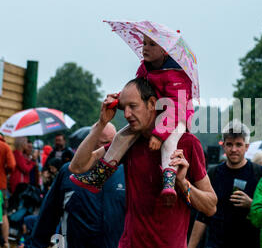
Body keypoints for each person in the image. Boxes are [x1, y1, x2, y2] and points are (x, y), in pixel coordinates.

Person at [68, 77, 217, 248]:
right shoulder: (129, 141)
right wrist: (101, 124)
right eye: (124, 108)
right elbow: (77, 167)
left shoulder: (187, 143)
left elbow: (210, 207)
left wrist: (182, 182)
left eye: (133, 106)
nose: (127, 114)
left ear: (152, 103)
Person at [71, 34, 196, 208]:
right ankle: (99, 176)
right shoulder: (145, 68)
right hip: (157, 113)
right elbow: (137, 90)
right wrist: (119, 100)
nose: (145, 47)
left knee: (170, 141)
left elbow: (176, 107)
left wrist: (159, 134)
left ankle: (169, 182)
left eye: (152, 44)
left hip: (178, 115)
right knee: (121, 135)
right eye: (144, 43)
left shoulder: (177, 75)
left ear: (165, 51)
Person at [24, 122, 126, 248]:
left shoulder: (126, 172)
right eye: (105, 143)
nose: (110, 148)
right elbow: (48, 215)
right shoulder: (69, 172)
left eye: (114, 142)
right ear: (91, 142)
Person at [187, 120, 262, 248]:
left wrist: (252, 204)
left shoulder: (258, 173)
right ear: (223, 146)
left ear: (246, 147)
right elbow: (202, 216)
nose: (234, 149)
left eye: (238, 145)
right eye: (229, 144)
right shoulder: (213, 173)